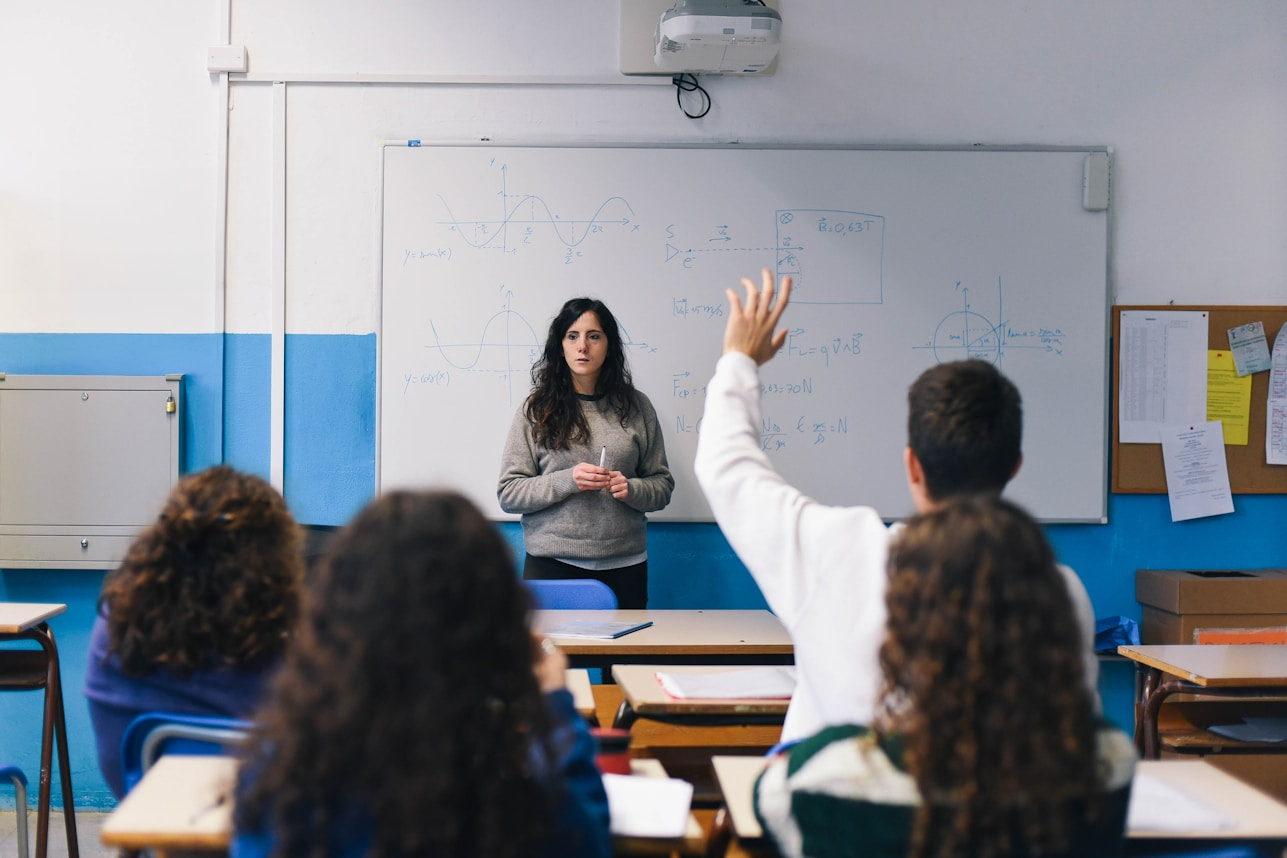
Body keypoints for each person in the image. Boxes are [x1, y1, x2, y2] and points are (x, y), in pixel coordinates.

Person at [693, 268, 1100, 744]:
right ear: (1014, 467)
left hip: (840, 793)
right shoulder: (1060, 595)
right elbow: (1076, 744)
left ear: (913, 465)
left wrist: (739, 359)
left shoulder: (839, 556)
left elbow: (726, 466)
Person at [232, 489, 611, 858]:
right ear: (499, 624)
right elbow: (589, 841)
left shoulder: (281, 787)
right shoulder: (522, 803)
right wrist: (555, 707)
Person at [755, 495, 1136, 858]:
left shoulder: (825, 773)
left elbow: (770, 800)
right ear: (1045, 620)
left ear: (901, 632)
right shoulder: (1108, 761)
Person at [83, 464, 303, 798]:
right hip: (265, 819)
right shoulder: (283, 648)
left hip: (148, 814)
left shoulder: (116, 630)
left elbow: (116, 764)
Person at [498, 297, 674, 608]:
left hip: (625, 566)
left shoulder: (638, 407)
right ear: (560, 346)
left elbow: (662, 486)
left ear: (609, 345)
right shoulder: (535, 410)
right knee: (547, 644)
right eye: (572, 336)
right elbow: (509, 493)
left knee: (626, 643)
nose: (583, 347)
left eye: (594, 336)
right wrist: (568, 480)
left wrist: (631, 489)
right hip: (551, 567)